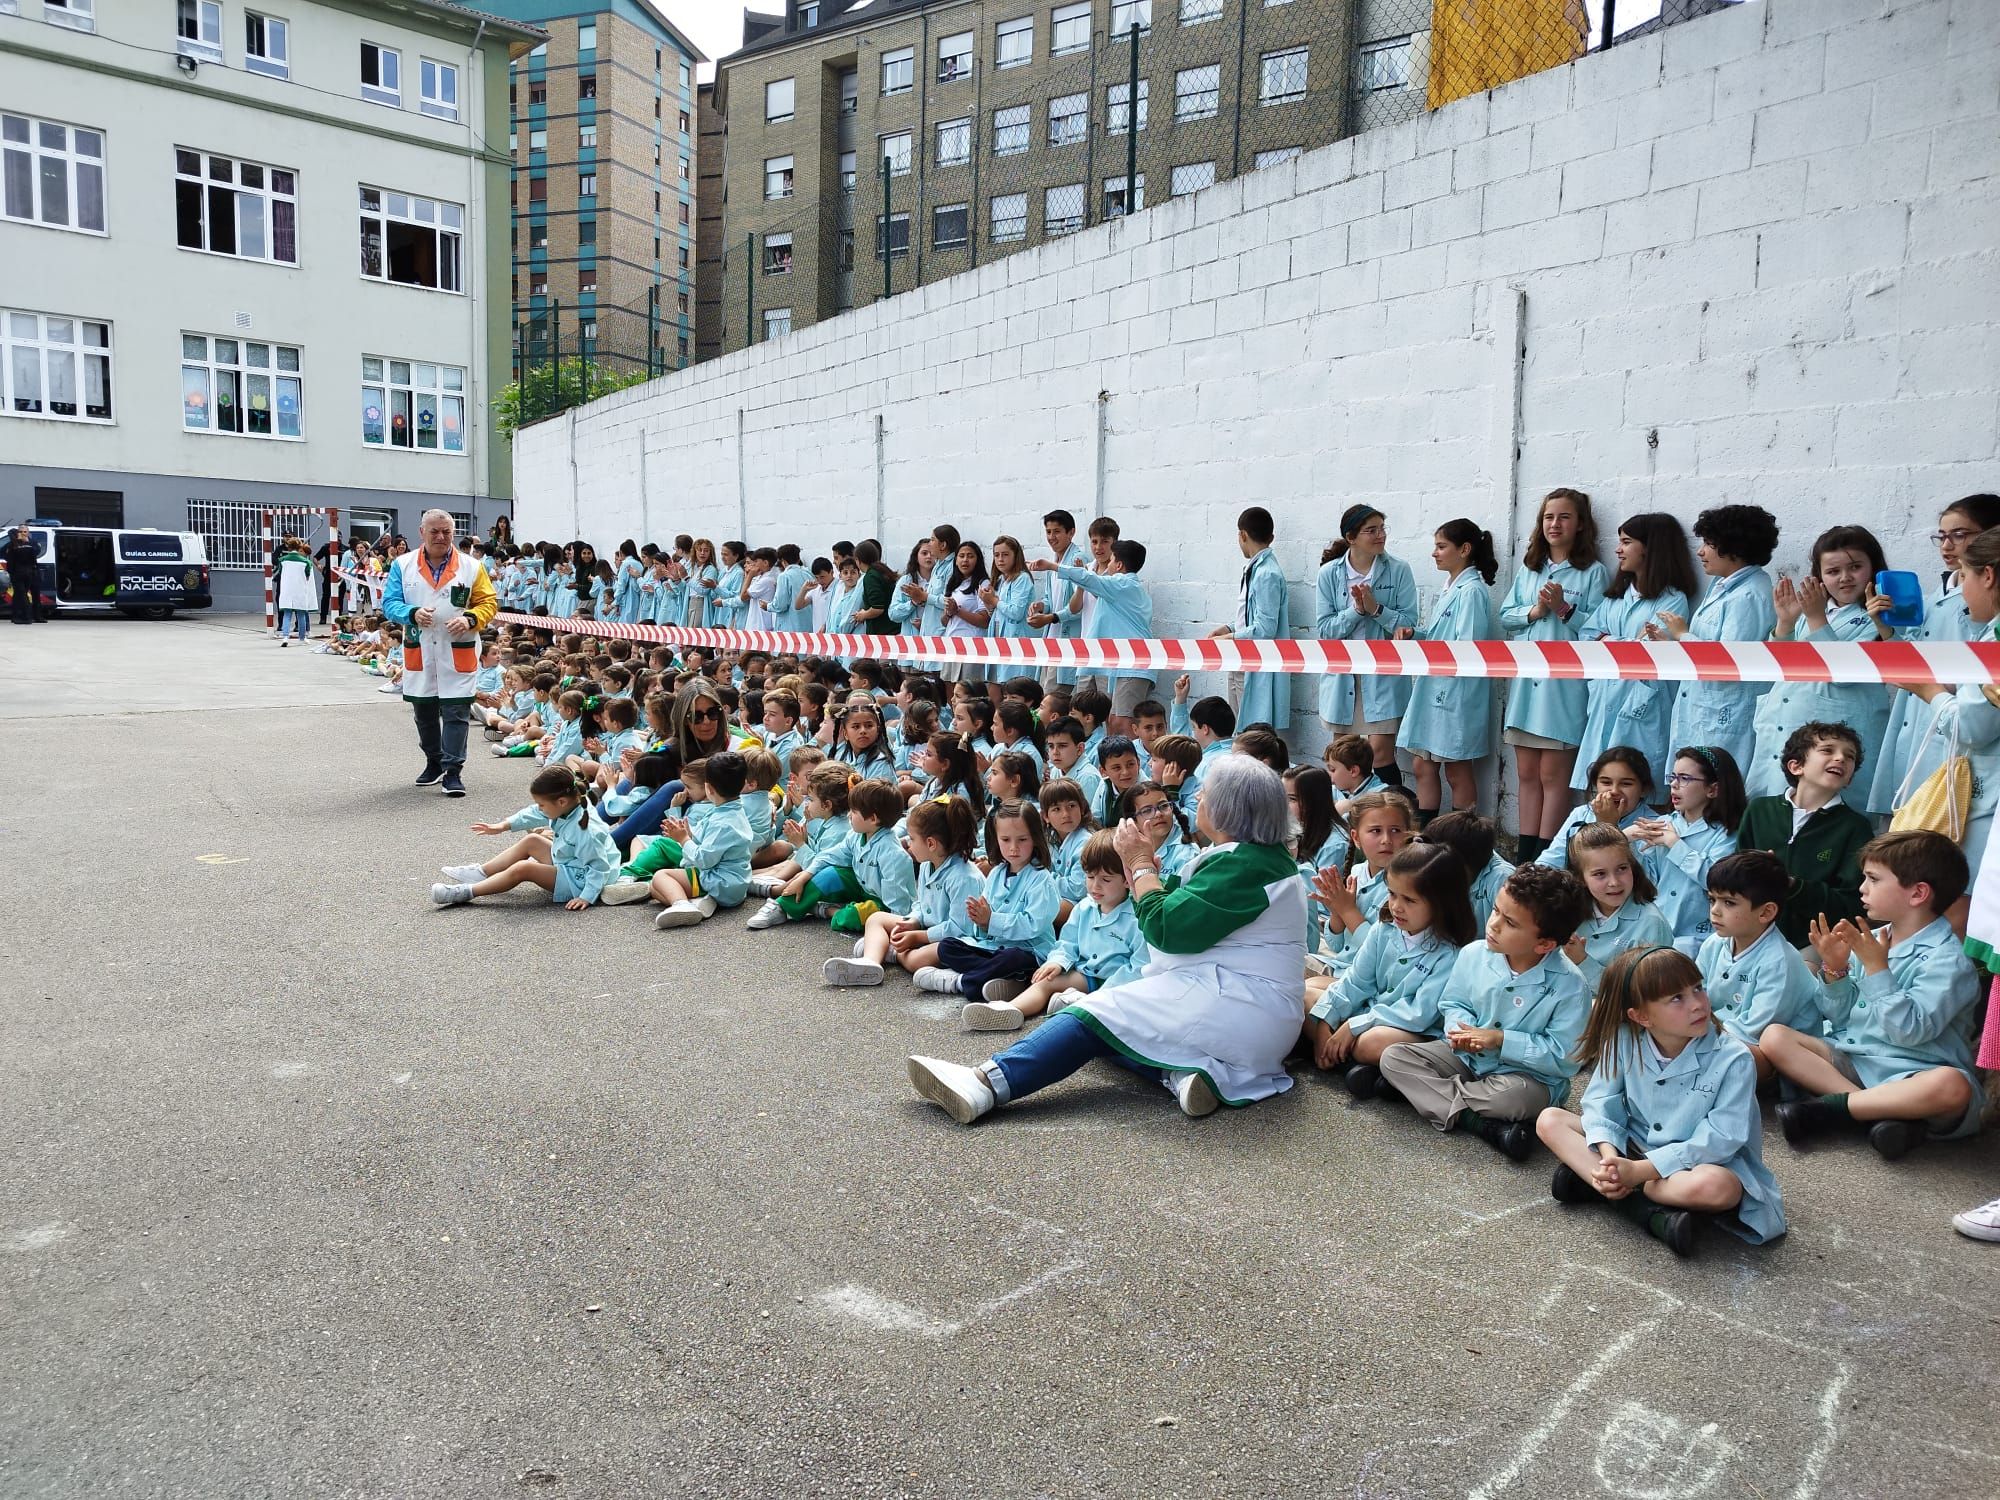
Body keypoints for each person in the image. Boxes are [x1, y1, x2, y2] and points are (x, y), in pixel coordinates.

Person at [905, 757, 1307, 1122]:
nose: (1198, 796)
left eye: (1206, 792)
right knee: (1119, 1029)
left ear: (1226, 810)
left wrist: (1138, 862)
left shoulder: (1247, 864)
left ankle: (986, 1083)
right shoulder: (1259, 859)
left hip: (1238, 1007)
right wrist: (1142, 868)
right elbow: (1182, 908)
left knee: (1091, 1016)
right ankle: (1184, 1075)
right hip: (1243, 1009)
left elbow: (1167, 929)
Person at [1536, 945, 1786, 1257]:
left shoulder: (1734, 1057)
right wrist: (1611, 1155)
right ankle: (1639, 1203)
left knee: (1718, 1187)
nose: (1697, 1004)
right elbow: (1600, 1101)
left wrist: (1639, 1171)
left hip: (1698, 1164)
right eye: (1677, 998)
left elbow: (1723, 1138)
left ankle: (1604, 1187)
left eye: (1698, 988)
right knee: (1550, 1120)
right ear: (1640, 1016)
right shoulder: (1623, 1038)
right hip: (1635, 1144)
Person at [1770, 831, 1983, 1160]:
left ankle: (1838, 1109)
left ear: (1917, 894)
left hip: (1914, 1074)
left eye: (1873, 879)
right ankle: (1872, 1113)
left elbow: (1910, 1032)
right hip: (1858, 1062)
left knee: (1953, 1086)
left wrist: (1877, 970)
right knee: (1775, 1037)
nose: (1862, 888)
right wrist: (1836, 970)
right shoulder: (1874, 937)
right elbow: (1840, 1019)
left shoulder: (1948, 960)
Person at [1375, 863, 1591, 1160]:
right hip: (1466, 1058)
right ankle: (1478, 1121)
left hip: (1525, 1079)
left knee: (1511, 1099)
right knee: (1395, 1058)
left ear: (1544, 944)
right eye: (1495, 911)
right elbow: (1454, 1003)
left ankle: (1426, 1096)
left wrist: (1501, 1040)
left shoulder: (1571, 986)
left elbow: (1565, 1059)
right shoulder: (1473, 954)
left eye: (1511, 923)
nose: (1493, 924)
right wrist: (1459, 1030)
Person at [1865, 494, 2000, 816]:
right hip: (1932, 713)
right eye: (1942, 536)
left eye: (1960, 534)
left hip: (1955, 722)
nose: (1947, 545)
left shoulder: (1982, 611)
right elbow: (1914, 662)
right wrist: (1886, 630)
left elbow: (1974, 717)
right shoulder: (1931, 597)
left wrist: (1932, 689)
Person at [1880, 523, 2000, 874]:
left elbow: (1973, 727)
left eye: (1964, 576)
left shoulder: (1994, 643)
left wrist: (1930, 692)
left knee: (1964, 902)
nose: (1962, 592)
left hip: (1988, 802)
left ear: (1988, 576)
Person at [1745, 525, 1895, 798]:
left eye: (1855, 567)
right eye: (1833, 571)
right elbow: (1780, 666)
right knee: (1777, 812)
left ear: (1874, 567)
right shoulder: (1814, 613)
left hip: (1835, 744)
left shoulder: (1880, 616)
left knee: (1831, 815)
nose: (1845, 578)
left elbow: (1844, 673)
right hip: (1787, 732)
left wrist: (1816, 620)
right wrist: (1786, 624)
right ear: (1819, 576)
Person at [1499, 489, 1607, 862]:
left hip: (1563, 688)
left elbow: (1598, 627)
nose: (1554, 525)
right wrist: (1535, 610)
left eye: (1563, 517)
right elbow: (1506, 616)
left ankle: (1548, 857)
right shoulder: (1530, 568)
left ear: (1580, 525)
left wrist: (1563, 608)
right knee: (1526, 772)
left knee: (1553, 776)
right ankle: (1523, 856)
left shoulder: (1593, 572)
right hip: (1527, 685)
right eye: (1548, 517)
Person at [963, 830, 1146, 1030]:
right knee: (1046, 981)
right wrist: (1057, 962)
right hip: (1086, 975)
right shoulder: (1084, 907)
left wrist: (1108, 991)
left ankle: (1075, 1002)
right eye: (1090, 877)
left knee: (1078, 1002)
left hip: (1115, 986)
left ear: (1127, 879)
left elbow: (1139, 966)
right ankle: (1009, 1010)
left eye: (1106, 879)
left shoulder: (1137, 917)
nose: (1095, 886)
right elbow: (1067, 943)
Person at [1572, 513, 1698, 792]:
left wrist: (1610, 640)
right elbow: (1588, 636)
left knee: (1635, 789)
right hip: (1606, 696)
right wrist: (1628, 641)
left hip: (1642, 705)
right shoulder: (1616, 597)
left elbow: (1648, 652)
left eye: (1627, 542)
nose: (1618, 549)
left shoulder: (1673, 600)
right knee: (1599, 788)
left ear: (1651, 548)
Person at [381, 509, 498, 797]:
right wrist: (411, 613)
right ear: (422, 533)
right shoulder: (403, 564)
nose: (441, 537)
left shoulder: (472, 567)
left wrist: (470, 618)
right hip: (420, 650)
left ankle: (453, 771)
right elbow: (389, 602)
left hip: (457, 649)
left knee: (456, 711)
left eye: (447, 531)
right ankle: (434, 761)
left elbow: (488, 602)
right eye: (434, 531)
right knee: (424, 713)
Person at [1657, 505, 1780, 776]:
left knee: (1715, 791)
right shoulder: (1723, 586)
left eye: (1709, 544)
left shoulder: (1749, 596)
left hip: (1724, 717)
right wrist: (1672, 644)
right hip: (1704, 711)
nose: (1701, 552)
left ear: (1735, 548)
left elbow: (1728, 662)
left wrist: (1682, 634)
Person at [1395, 519, 1499, 823]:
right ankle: (1426, 834)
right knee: (1422, 765)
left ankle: (1462, 837)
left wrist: (1432, 648)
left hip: (1455, 694)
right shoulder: (1451, 588)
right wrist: (1417, 633)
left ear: (1464, 550)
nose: (1434, 553)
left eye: (1441, 546)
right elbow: (1444, 636)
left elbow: (1466, 645)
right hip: (1436, 688)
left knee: (1456, 769)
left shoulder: (1472, 592)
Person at [1735, 721, 1871, 948]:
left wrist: (1792, 886)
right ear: (1796, 766)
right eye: (1827, 750)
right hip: (1751, 937)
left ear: (1849, 779)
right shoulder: (1759, 810)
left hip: (1814, 946)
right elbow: (1734, 877)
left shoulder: (1856, 827)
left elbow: (1852, 905)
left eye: (1850, 757)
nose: (1840, 759)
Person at [1314, 505, 1416, 789]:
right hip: (1342, 674)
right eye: (1371, 530)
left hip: (1383, 674)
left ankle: (1389, 816)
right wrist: (1357, 611)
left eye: (1382, 528)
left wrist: (1376, 609)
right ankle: (1343, 817)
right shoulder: (1329, 574)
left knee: (1380, 755)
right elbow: (1325, 630)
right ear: (1351, 537)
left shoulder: (1398, 570)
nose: (1380, 535)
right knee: (1343, 756)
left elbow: (1409, 622)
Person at [1696, 850, 1818, 1079]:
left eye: (1729, 903)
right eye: (1712, 899)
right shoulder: (1713, 944)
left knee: (1725, 1058)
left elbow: (1753, 1031)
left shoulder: (1779, 961)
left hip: (1768, 1057)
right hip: (1716, 1035)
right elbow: (1696, 993)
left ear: (1766, 912)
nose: (1715, 910)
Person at [432, 765, 618, 909]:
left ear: (561, 801)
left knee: (524, 868)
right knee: (532, 841)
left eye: (541, 804)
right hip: (571, 862)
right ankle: (481, 873)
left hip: (583, 879)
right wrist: (503, 826)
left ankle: (467, 892)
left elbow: (598, 866)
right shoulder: (569, 805)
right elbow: (533, 813)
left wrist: (586, 896)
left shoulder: (585, 830)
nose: (539, 808)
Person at [1030, 538, 1154, 733]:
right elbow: (1087, 586)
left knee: (1123, 723)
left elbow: (1089, 579)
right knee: (1112, 721)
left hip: (1133, 665)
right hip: (1119, 663)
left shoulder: (1122, 583)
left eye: (1112, 559)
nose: (1108, 564)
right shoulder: (1117, 589)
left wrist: (1052, 566)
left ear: (1119, 565)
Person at [1213, 506, 1292, 732]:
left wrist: (1233, 636)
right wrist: (1229, 627)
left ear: (1243, 535)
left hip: (1252, 659)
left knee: (1249, 733)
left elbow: (1266, 627)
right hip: (1243, 656)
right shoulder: (1257, 569)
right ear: (1272, 537)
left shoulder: (1266, 574)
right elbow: (1253, 615)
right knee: (1241, 728)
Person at [274, 536, 317, 645]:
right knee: (301, 615)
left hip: (286, 590)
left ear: (288, 546)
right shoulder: (306, 562)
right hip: (300, 590)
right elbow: (307, 577)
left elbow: (280, 572)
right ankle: (302, 638)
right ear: (299, 547)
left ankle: (285, 637)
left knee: (287, 615)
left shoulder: (282, 560)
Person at [6, 522, 40, 624]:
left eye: (25, 531)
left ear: (28, 532)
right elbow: (8, 558)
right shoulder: (15, 544)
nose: (23, 533)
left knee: (22, 595)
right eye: (20, 531)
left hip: (25, 573)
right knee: (20, 595)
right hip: (22, 573)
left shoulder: (28, 543)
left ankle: (27, 617)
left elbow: (35, 555)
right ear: (17, 532)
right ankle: (17, 616)